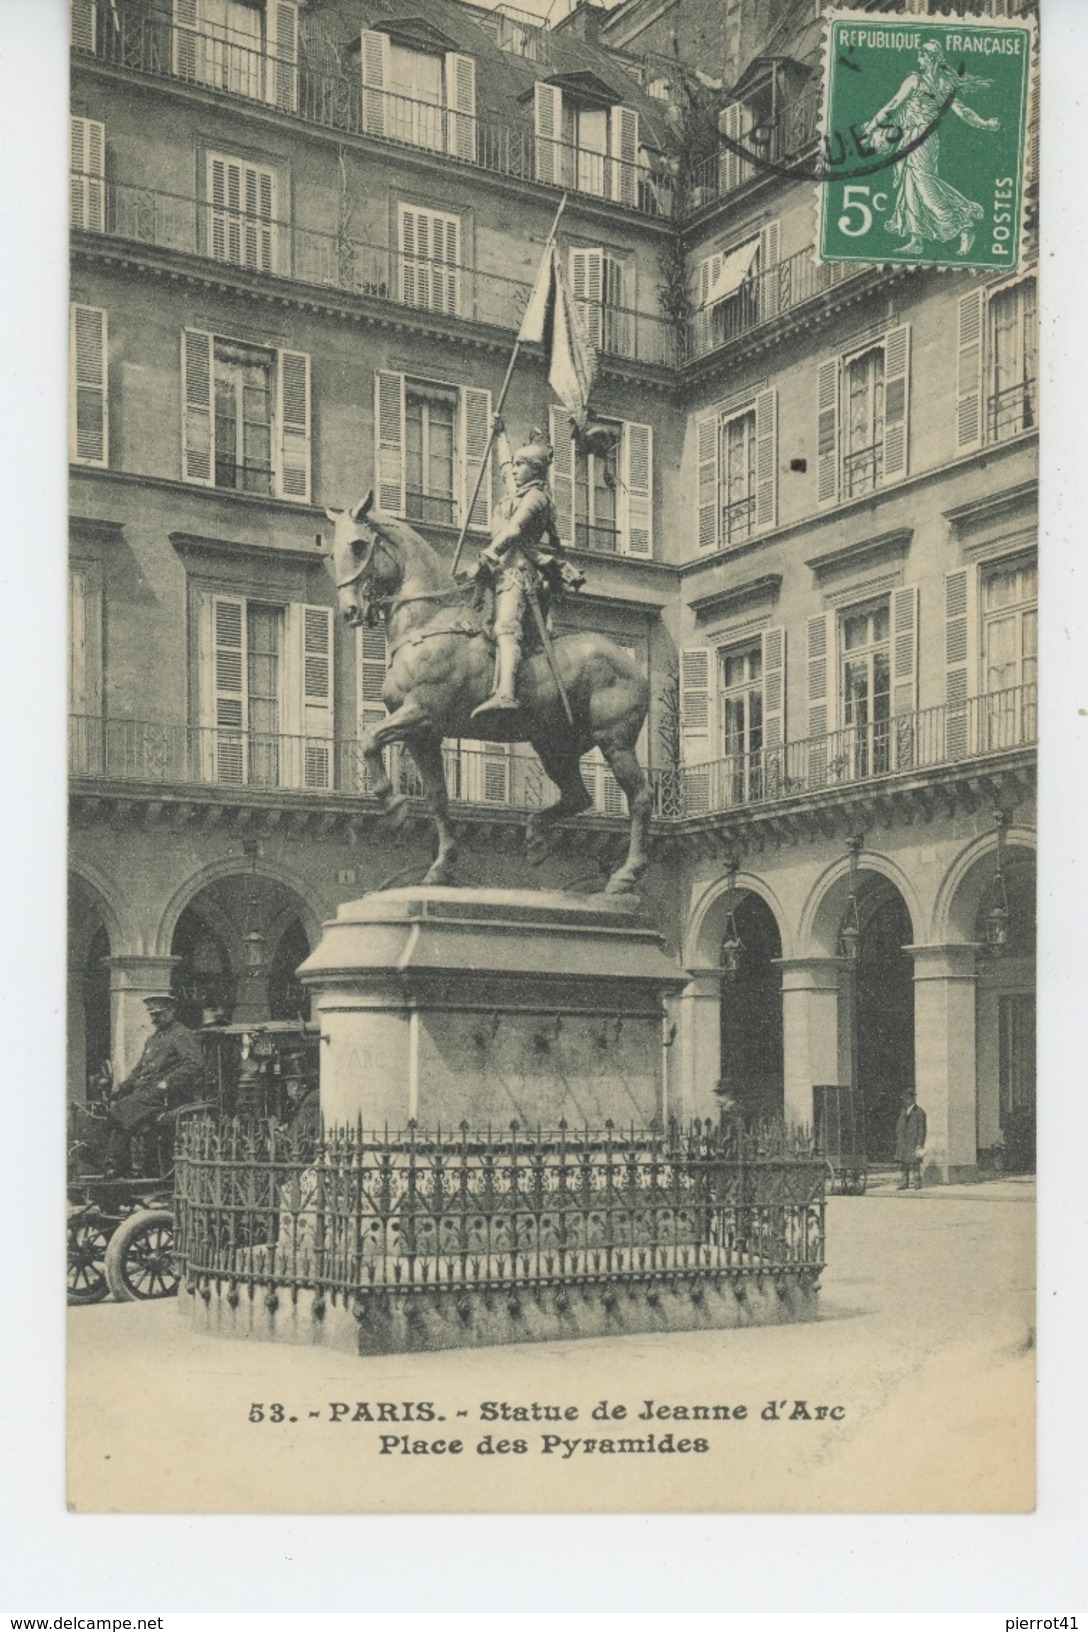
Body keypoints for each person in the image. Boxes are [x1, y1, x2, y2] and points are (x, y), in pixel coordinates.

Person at [469, 414, 584, 718]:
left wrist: (490, 553)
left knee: (506, 629)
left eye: (522, 465)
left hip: (518, 573)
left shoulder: (537, 498)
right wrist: (501, 435)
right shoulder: (518, 490)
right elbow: (505, 466)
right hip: (498, 571)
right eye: (517, 464)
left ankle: (506, 692)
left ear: (534, 470)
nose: (515, 470)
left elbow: (515, 530)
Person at [860, 40, 999, 257]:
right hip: (910, 136)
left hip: (924, 138)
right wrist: (871, 129)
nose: (918, 60)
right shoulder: (923, 82)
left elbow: (961, 111)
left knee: (924, 184)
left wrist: (985, 123)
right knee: (910, 185)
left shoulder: (936, 84)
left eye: (921, 56)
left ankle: (964, 223)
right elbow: (895, 105)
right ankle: (916, 239)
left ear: (929, 59)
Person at [103, 992, 205, 1176]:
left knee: (120, 1110)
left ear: (172, 1011)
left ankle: (117, 1166)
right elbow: (139, 1069)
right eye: (152, 1015)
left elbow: (194, 1063)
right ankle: (122, 1167)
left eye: (159, 1014)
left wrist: (168, 1082)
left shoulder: (180, 1034)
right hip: (145, 1091)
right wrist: (123, 1086)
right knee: (110, 1109)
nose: (154, 1019)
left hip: (164, 1093)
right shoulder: (153, 1039)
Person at [894, 1088, 927, 1191]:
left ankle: (917, 1183)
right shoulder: (903, 1110)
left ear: (912, 1099)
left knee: (915, 1164)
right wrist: (899, 1136)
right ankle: (904, 1183)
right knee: (904, 1164)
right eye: (905, 1098)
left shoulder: (919, 1112)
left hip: (913, 1141)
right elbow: (899, 1125)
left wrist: (919, 1143)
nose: (906, 1100)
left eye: (908, 1098)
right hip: (903, 1142)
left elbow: (922, 1129)